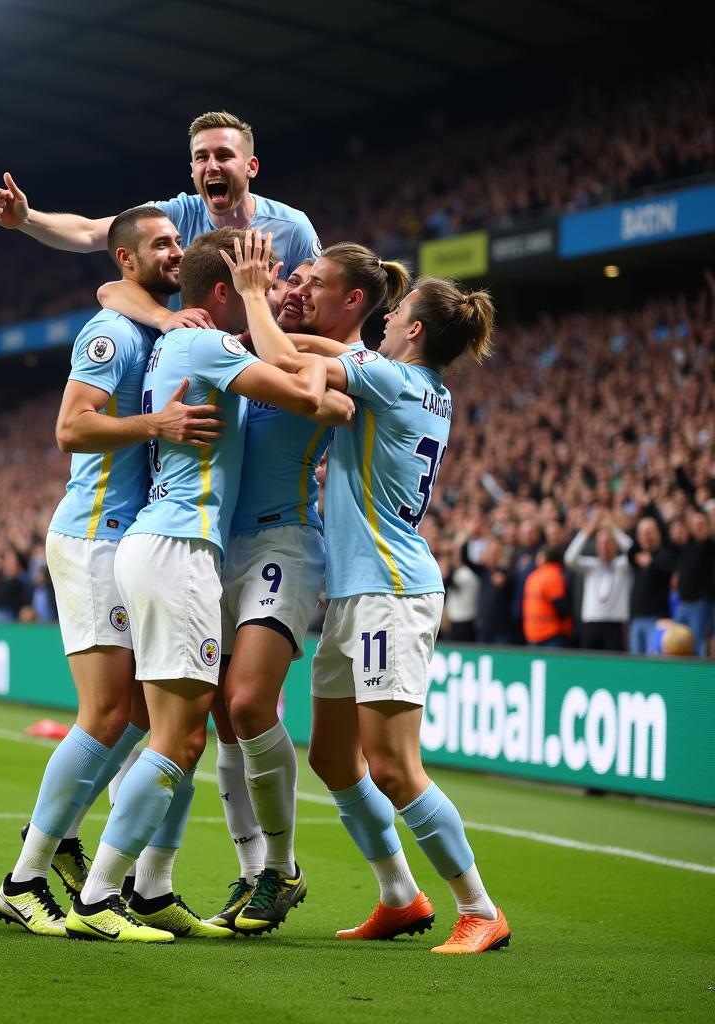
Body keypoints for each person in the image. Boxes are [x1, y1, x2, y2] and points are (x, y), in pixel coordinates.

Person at [231, 232, 511, 954]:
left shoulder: (394, 379)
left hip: (391, 590)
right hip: (356, 595)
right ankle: (398, 894)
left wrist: (257, 296)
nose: (383, 320)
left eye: (396, 315)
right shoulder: (420, 387)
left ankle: (479, 907)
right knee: (332, 756)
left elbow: (292, 358)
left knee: (392, 765)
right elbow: (318, 353)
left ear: (413, 330)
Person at [65, 228, 327, 943]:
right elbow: (307, 393)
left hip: (161, 543)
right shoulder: (211, 344)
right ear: (224, 290)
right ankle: (97, 896)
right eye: (262, 281)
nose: (272, 292)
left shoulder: (178, 341)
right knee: (177, 740)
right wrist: (308, 351)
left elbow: (113, 285)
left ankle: (138, 886)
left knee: (171, 725)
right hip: (180, 547)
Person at [0, 207, 228, 940]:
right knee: (107, 713)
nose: (174, 249)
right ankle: (25, 878)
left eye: (177, 241)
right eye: (160, 243)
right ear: (126, 260)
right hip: (94, 536)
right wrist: (154, 427)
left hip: (129, 540)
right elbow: (71, 427)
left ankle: (107, 864)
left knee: (142, 715)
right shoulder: (114, 334)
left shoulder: (160, 329)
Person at [0, 109, 321, 330]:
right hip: (191, 362)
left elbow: (318, 307)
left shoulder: (292, 228)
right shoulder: (173, 216)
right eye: (201, 158)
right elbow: (90, 233)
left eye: (224, 156)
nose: (212, 166)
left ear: (251, 166)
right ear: (191, 170)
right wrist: (28, 219)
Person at [563, 510, 633, 651]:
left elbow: (633, 550)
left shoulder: (623, 565)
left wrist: (613, 529)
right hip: (591, 622)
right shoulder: (591, 566)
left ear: (615, 545)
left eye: (608, 543)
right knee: (590, 664)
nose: (604, 547)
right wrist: (585, 533)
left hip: (616, 623)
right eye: (600, 543)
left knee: (614, 665)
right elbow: (569, 558)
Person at [628, 516, 676, 654]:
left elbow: (669, 570)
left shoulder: (665, 555)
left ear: (658, 534)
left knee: (654, 660)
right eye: (642, 533)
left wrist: (651, 564)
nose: (645, 537)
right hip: (636, 619)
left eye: (649, 532)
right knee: (636, 663)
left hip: (657, 620)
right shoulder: (637, 556)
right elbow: (628, 548)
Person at [672, 510, 714, 656]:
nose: (698, 528)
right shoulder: (688, 546)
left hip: (701, 604)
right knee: (676, 643)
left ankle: (697, 677)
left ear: (709, 526)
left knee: (698, 644)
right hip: (682, 603)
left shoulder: (711, 546)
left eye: (702, 524)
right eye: (695, 525)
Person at [522, 546, 573, 648]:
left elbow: (559, 604)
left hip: (543, 633)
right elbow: (561, 607)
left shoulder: (538, 576)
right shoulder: (552, 575)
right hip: (547, 633)